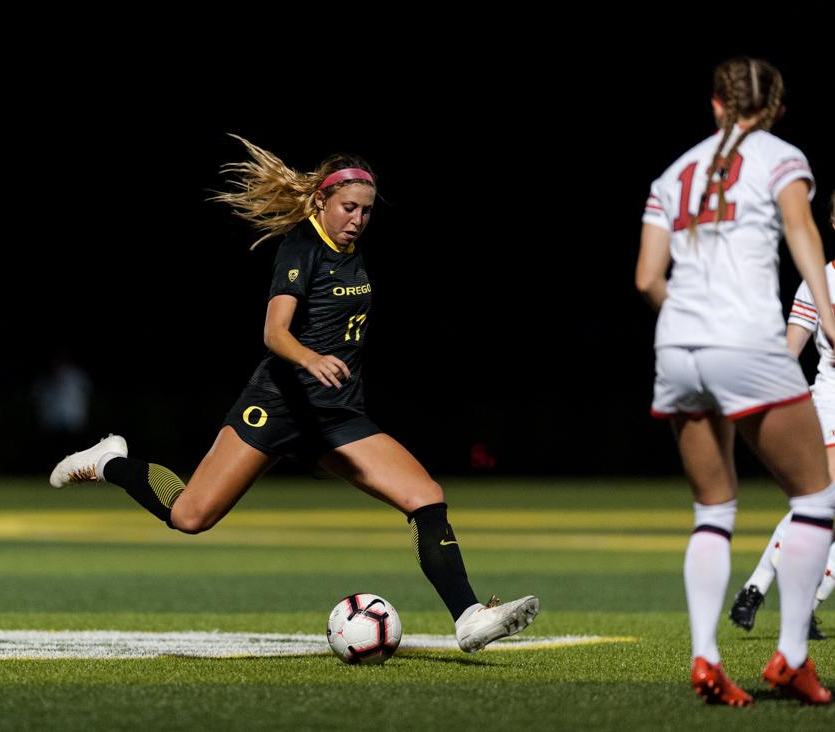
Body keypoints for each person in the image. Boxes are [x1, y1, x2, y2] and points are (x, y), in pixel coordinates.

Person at [50, 135, 539, 653]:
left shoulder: (352, 254)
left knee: (426, 498)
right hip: (277, 408)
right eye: (349, 207)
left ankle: (467, 617)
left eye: (367, 211)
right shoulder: (300, 247)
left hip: (335, 417)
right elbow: (274, 332)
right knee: (191, 516)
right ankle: (110, 462)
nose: (358, 219)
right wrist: (309, 358)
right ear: (322, 202)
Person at [636, 58, 834, 705]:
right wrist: (829, 314)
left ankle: (705, 659)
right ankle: (793, 658)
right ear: (774, 110)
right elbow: (803, 234)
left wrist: (691, 322)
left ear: (716, 106)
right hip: (745, 337)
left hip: (679, 344)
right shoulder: (780, 158)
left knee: (713, 510)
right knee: (815, 500)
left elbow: (645, 278)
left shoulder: (672, 174)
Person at [729, 193, 835, 641]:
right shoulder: (820, 281)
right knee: (822, 504)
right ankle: (784, 596)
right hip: (829, 407)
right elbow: (790, 352)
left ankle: (767, 588)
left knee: (820, 509)